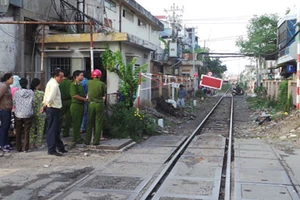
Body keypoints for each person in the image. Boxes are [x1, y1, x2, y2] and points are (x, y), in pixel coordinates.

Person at [40, 68, 68, 156]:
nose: (62, 79)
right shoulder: (54, 85)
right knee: (52, 129)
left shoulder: (51, 82)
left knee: (55, 129)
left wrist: (44, 104)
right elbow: (50, 97)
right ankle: (51, 149)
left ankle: (60, 147)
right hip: (53, 108)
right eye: (60, 77)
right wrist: (45, 105)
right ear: (56, 76)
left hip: (51, 107)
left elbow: (46, 95)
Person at [85, 69, 106, 145]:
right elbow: (103, 94)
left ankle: (87, 140)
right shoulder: (102, 84)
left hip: (91, 104)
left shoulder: (89, 82)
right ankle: (96, 141)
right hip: (99, 104)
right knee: (98, 123)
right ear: (100, 76)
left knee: (89, 122)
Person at [13, 78, 34, 153]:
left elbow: (14, 103)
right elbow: (33, 102)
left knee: (18, 131)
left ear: (20, 84)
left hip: (18, 114)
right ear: (27, 83)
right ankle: (26, 148)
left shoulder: (16, 93)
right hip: (28, 114)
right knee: (26, 131)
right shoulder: (31, 92)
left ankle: (18, 148)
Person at [70, 70, 87, 144]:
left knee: (79, 122)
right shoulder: (74, 84)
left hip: (80, 105)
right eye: (81, 75)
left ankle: (78, 137)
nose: (82, 76)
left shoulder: (79, 84)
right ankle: (75, 138)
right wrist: (84, 99)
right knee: (76, 122)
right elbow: (74, 95)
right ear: (77, 76)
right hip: (76, 105)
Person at [29, 78, 46, 149]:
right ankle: (38, 143)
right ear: (38, 84)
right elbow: (45, 102)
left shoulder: (30, 93)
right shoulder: (41, 93)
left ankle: (31, 143)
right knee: (40, 129)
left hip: (31, 112)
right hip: (40, 113)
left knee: (32, 128)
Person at [0, 73, 14, 152]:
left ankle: (6, 143)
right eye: (11, 78)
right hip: (3, 109)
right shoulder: (3, 86)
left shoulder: (8, 87)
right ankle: (2, 144)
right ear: (7, 79)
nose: (12, 80)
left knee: (7, 128)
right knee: (4, 128)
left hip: (7, 110)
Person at [58, 70, 72, 137]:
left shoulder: (59, 83)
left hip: (61, 101)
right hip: (69, 101)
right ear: (68, 76)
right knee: (68, 117)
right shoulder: (70, 83)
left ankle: (58, 130)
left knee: (59, 117)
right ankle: (66, 132)